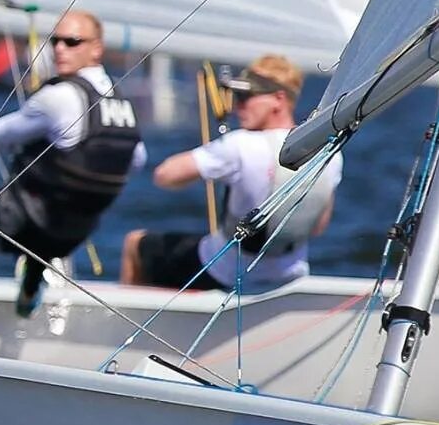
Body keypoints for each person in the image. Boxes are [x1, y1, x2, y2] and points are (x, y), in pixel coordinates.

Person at [0, 9, 145, 315]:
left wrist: (41, 123)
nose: (60, 49)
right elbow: (137, 160)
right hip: (77, 232)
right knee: (54, 208)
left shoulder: (60, 96)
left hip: (29, 222)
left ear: (97, 48)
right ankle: (31, 282)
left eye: (72, 41)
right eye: (55, 41)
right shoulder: (123, 105)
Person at [122, 53, 341, 294]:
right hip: (291, 272)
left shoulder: (239, 145)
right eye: (237, 96)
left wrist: (213, 158)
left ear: (278, 99)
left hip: (225, 273)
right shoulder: (328, 151)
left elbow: (164, 175)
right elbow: (319, 226)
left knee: (135, 244)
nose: (238, 106)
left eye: (247, 97)